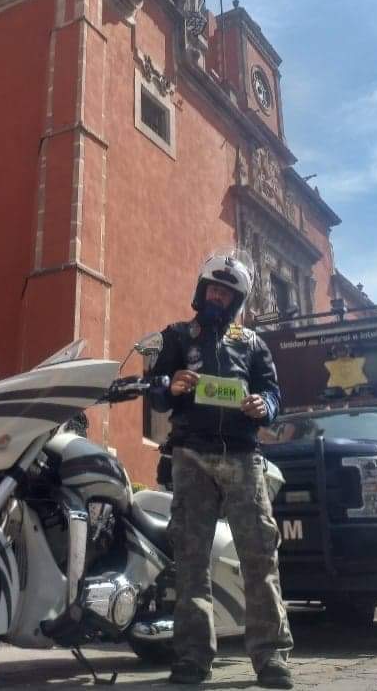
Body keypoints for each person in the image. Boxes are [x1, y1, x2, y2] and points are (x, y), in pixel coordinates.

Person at [148, 249, 293, 689]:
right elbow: (153, 391)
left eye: (227, 293)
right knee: (191, 562)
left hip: (243, 457)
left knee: (259, 556)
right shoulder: (175, 337)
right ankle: (193, 658)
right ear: (201, 290)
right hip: (190, 455)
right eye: (212, 288)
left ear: (236, 301)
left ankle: (271, 658)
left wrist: (261, 405)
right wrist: (169, 386)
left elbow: (273, 394)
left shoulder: (252, 344)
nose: (218, 296)